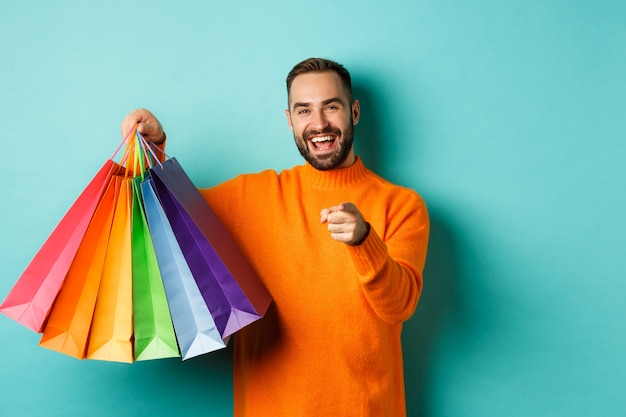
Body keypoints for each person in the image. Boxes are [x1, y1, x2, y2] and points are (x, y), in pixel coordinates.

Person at [121, 58, 429, 417]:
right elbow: (167, 215)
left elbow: (399, 306)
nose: (319, 124)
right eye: (304, 110)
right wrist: (154, 149)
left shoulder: (402, 205)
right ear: (289, 120)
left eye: (331, 106)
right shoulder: (252, 197)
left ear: (354, 112)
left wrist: (364, 242)